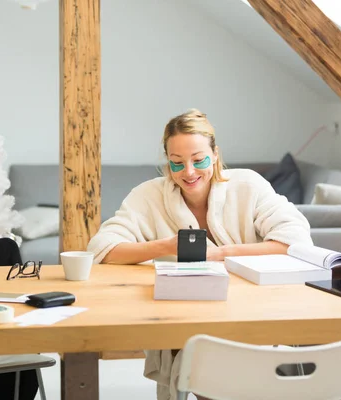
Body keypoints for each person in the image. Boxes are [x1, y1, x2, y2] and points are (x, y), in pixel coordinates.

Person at [87, 109, 313, 400]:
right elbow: (101, 248)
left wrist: (220, 253)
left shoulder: (248, 185)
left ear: (216, 154)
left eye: (199, 160)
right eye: (177, 163)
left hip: (246, 311)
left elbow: (295, 239)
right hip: (183, 316)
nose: (189, 173)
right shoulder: (148, 195)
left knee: (231, 374)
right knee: (206, 367)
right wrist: (168, 246)